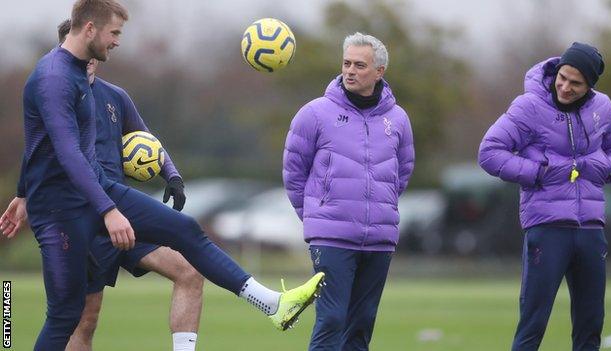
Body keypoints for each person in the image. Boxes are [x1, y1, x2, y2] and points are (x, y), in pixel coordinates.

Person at [0, 1, 323, 349]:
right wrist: (106, 210)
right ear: (90, 29)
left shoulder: (83, 76)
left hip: (98, 190)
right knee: (68, 315)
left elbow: (43, 143)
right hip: (63, 209)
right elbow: (65, 151)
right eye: (115, 33)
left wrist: (22, 193)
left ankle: (272, 304)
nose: (117, 41)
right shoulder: (53, 78)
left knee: (185, 230)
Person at [1, 19, 204, 351]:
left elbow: (148, 140)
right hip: (82, 216)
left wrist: (173, 175)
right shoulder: (56, 91)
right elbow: (39, 151)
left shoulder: (115, 97)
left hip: (121, 213)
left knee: (188, 271)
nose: (91, 61)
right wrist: (24, 194)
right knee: (84, 317)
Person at [478, 42, 611, 350]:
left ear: (590, 87)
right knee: (533, 324)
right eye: (563, 78)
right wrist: (537, 172)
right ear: (557, 71)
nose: (566, 87)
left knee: (591, 325)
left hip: (590, 229)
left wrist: (607, 168)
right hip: (546, 228)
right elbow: (489, 152)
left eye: (576, 83)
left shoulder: (603, 108)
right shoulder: (528, 106)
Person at [282, 32, 414, 350]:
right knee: (331, 320)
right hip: (331, 238)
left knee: (361, 326)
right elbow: (293, 173)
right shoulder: (314, 113)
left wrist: (380, 210)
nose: (350, 71)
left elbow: (403, 172)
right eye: (346, 63)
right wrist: (317, 215)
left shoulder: (398, 119)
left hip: (379, 240)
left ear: (379, 71)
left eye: (359, 65)